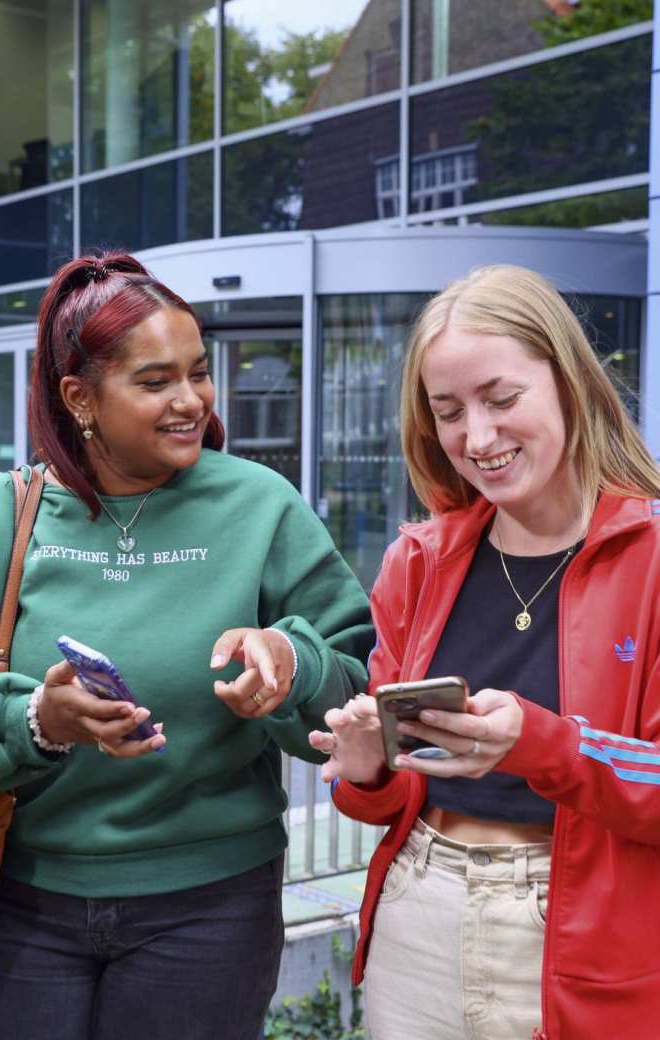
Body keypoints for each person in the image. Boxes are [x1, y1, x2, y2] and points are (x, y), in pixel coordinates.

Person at [0, 251, 373, 1040]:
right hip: (17, 904)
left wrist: (293, 664)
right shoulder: (4, 513)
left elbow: (359, 684)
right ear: (79, 397)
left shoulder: (261, 505)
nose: (191, 401)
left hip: (211, 908)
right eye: (154, 382)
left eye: (198, 372)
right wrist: (39, 719)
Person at [309, 265, 660, 1040]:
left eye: (502, 400)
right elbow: (391, 795)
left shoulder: (653, 557)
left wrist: (541, 743)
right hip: (418, 911)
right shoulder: (420, 561)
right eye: (449, 411)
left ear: (569, 382)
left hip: (582, 934)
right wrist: (364, 765)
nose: (478, 437)